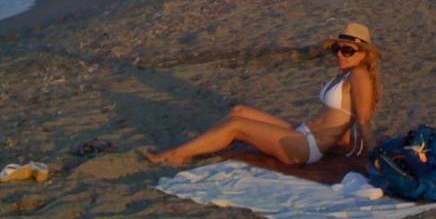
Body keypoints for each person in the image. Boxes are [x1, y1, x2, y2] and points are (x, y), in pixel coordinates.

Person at [145, 23, 381, 167]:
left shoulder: (359, 75)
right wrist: (342, 143)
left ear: (364, 54)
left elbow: (363, 120)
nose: (341, 54)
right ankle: (204, 144)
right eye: (338, 49)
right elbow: (343, 121)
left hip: (305, 148)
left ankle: (177, 155)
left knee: (237, 125)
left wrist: (375, 156)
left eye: (348, 50)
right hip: (303, 132)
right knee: (240, 111)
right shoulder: (345, 74)